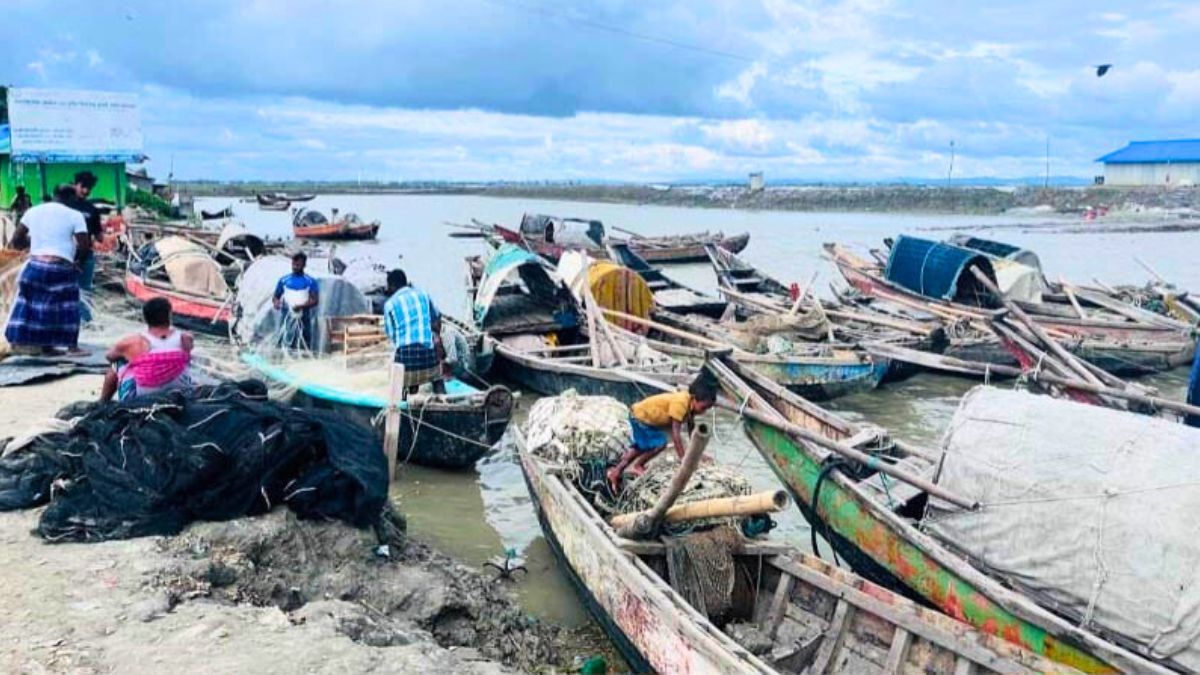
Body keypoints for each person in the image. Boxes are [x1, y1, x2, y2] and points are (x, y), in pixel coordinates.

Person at [4, 184, 91, 355]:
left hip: (35, 266)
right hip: (60, 267)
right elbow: (85, 245)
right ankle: (72, 347)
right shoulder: (75, 215)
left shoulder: (33, 211)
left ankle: (41, 345)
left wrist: (31, 246)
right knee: (67, 306)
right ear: (72, 198)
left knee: (30, 304)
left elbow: (16, 238)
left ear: (53, 194)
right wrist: (79, 263)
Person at [607, 375, 718, 491]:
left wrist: (698, 454)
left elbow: (692, 434)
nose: (703, 412)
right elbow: (676, 435)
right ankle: (637, 465)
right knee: (660, 443)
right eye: (703, 407)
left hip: (646, 420)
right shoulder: (681, 403)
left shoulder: (691, 408)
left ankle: (616, 472)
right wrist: (683, 461)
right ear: (694, 399)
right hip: (640, 417)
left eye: (707, 409)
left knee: (641, 447)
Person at [99, 296, 194, 402]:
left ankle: (102, 402)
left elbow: (109, 357)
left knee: (117, 365)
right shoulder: (186, 338)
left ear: (145, 318)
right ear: (169, 315)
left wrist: (130, 357)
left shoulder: (133, 342)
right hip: (182, 392)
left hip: (143, 397)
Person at [383, 268, 445, 394]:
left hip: (405, 363)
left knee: (402, 375)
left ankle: (406, 400)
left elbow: (392, 336)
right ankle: (444, 399)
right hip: (428, 359)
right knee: (438, 378)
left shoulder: (389, 304)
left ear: (393, 286)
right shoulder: (423, 295)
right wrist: (436, 337)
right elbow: (437, 318)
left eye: (388, 287)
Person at [62, 171, 102, 322]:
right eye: (83, 186)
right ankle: (67, 320)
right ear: (75, 184)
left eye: (89, 188)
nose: (86, 191)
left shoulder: (92, 209)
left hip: (86, 255)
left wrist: (107, 237)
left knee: (84, 289)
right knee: (65, 287)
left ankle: (85, 323)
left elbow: (98, 235)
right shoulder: (64, 205)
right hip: (66, 253)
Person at [272, 251, 320, 350]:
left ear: (304, 265)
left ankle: (303, 360)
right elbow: (276, 296)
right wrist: (276, 303)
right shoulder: (284, 280)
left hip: (303, 318)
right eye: (294, 264)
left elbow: (315, 301)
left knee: (303, 342)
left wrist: (301, 306)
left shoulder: (310, 281)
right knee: (285, 339)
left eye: (298, 265)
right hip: (286, 318)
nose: (295, 267)